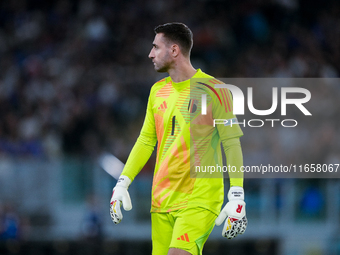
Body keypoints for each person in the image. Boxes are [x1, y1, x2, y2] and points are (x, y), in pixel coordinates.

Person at [110, 22, 247, 255]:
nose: (150, 54)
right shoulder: (157, 92)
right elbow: (146, 140)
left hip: (199, 198)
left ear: (174, 50)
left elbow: (231, 142)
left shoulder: (216, 90)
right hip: (162, 200)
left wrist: (237, 193)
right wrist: (123, 182)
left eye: (155, 47)